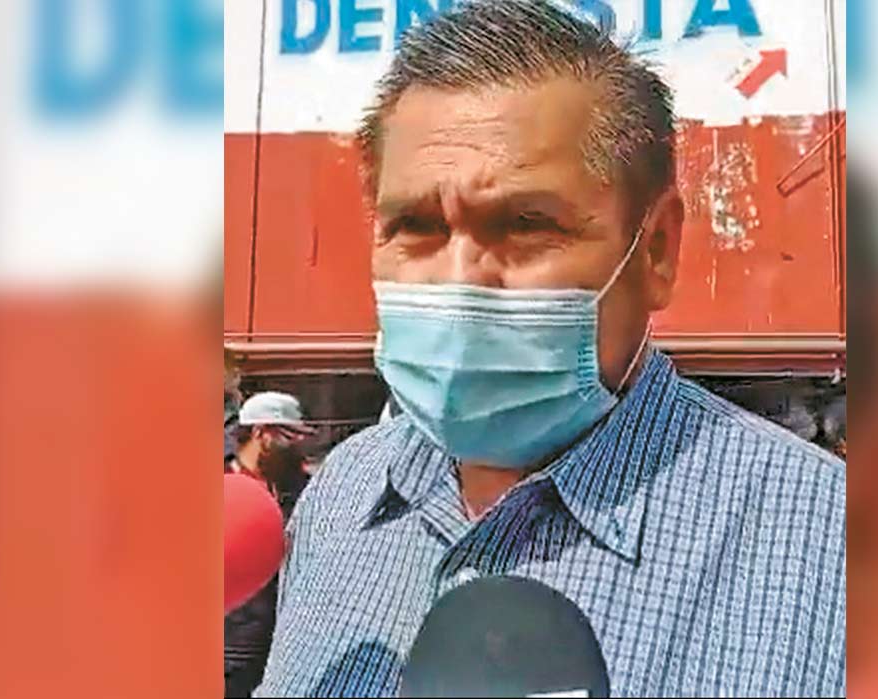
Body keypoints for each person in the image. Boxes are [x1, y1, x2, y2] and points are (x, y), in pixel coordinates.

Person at [258, 2, 845, 696]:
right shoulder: (341, 496)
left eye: (525, 223)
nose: (460, 280)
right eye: (415, 225)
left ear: (656, 249)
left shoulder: (832, 548)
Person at [225, 392, 315, 697]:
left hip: (280, 650)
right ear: (261, 434)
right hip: (228, 649)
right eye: (290, 437)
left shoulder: (301, 490)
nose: (299, 446)